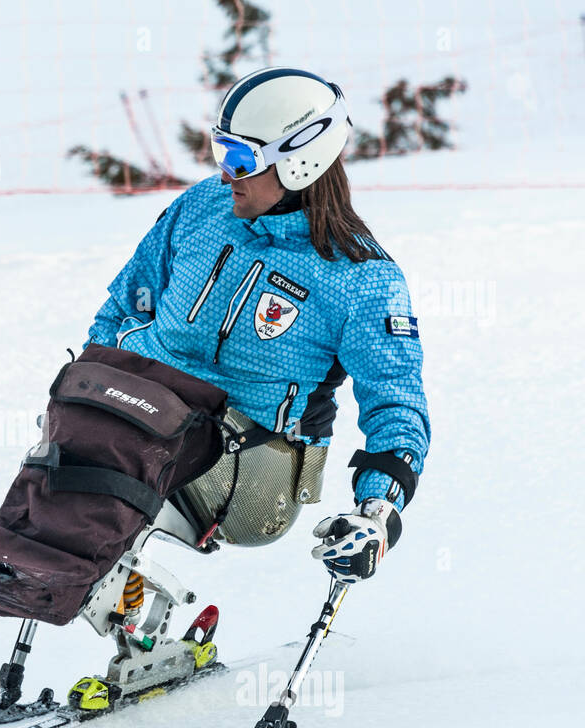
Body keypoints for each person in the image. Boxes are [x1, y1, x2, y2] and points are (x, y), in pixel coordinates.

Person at [86, 66, 430, 584]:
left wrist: (378, 512)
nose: (226, 173)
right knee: (70, 454)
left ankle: (115, 612)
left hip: (253, 470)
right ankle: (74, 602)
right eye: (221, 151)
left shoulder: (360, 279)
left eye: (242, 159)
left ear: (300, 161)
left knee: (115, 460)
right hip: (150, 414)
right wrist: (93, 383)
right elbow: (126, 303)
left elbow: (396, 403)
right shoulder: (205, 205)